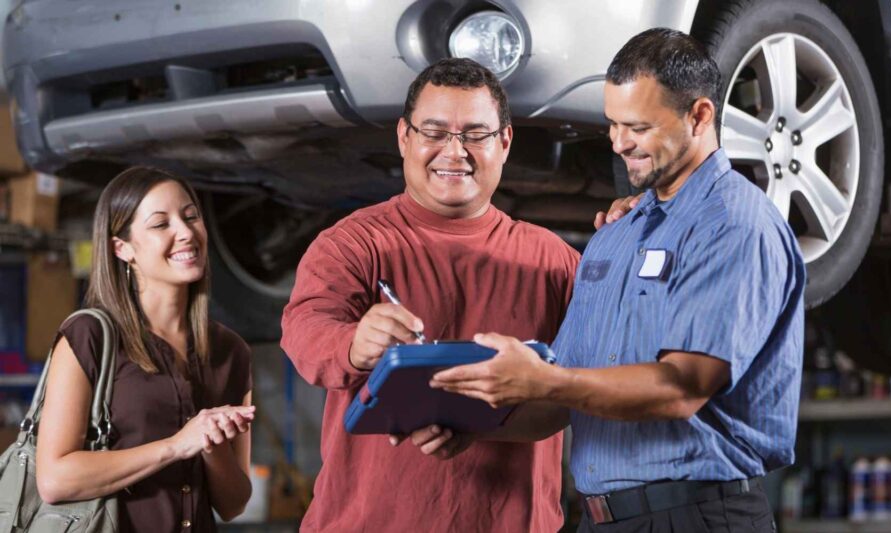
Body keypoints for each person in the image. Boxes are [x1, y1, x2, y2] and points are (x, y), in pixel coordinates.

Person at [431, 28, 806, 532]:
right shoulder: (614, 238)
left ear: (699, 116)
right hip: (600, 520)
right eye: (612, 123)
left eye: (637, 126)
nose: (618, 141)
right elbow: (562, 398)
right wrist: (473, 422)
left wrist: (547, 379)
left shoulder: (735, 226)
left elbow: (682, 388)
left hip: (698, 517)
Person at [279, 58, 581, 532]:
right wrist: (354, 343)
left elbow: (591, 387)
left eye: (475, 134)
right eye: (435, 132)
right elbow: (305, 331)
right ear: (405, 137)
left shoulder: (554, 262)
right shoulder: (353, 243)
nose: (454, 151)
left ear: (504, 142)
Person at [36, 167, 255, 531]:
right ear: (122, 248)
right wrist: (176, 446)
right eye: (160, 224)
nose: (185, 233)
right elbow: (55, 479)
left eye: (191, 216)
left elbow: (233, 505)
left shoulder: (230, 351)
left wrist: (211, 444)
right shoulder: (89, 336)